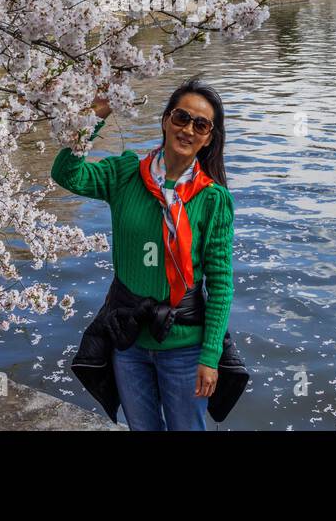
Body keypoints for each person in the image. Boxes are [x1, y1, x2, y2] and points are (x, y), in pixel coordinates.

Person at [55, 78, 246, 430]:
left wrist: (210, 355)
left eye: (200, 125)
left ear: (208, 138)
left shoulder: (213, 199)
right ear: (165, 120)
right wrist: (94, 117)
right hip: (128, 340)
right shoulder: (125, 174)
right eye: (181, 117)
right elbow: (66, 173)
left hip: (186, 348)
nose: (188, 129)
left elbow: (220, 285)